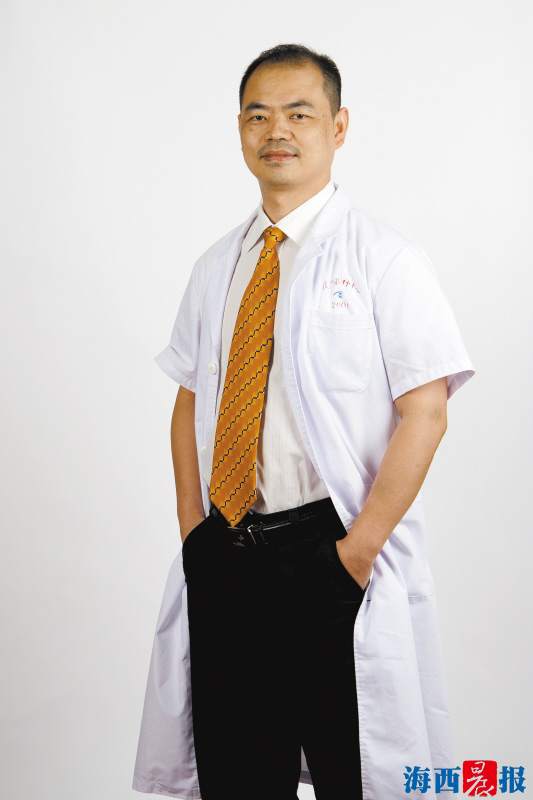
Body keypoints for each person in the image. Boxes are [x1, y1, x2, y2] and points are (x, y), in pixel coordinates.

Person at [132, 43, 476, 800]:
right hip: (227, 551)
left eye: (299, 113)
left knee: (353, 770)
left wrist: (357, 550)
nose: (277, 131)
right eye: (258, 116)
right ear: (240, 129)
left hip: (330, 550)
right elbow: (188, 396)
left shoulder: (383, 258)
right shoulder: (217, 265)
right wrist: (193, 532)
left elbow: (425, 410)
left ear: (338, 126)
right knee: (237, 774)